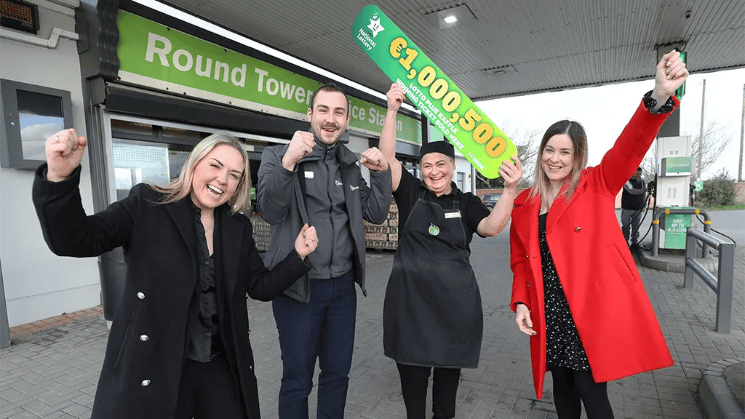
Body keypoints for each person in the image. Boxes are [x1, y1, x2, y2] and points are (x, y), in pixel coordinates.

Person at [32, 130, 319, 419]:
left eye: (234, 175)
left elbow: (260, 287)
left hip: (219, 363)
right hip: (156, 363)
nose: (223, 179)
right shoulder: (148, 205)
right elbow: (76, 239)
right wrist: (59, 180)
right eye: (215, 165)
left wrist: (297, 256)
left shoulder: (237, 228)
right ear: (194, 164)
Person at [510, 50, 688, 418]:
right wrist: (522, 303)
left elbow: (630, 146)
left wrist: (657, 97)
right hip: (550, 310)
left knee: (592, 394)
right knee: (561, 389)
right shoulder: (525, 202)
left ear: (578, 157)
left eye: (565, 152)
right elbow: (521, 261)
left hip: (587, 311)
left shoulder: (597, 184)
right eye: (549, 150)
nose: (554, 159)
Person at [378, 83, 523, 419]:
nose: (434, 171)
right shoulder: (411, 192)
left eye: (440, 164)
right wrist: (392, 111)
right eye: (427, 165)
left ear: (452, 165)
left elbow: (491, 228)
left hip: (453, 309)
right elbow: (386, 161)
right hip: (410, 305)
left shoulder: (467, 202)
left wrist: (510, 190)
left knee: (445, 402)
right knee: (414, 398)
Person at [256, 83, 392, 419]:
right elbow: (270, 211)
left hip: (342, 289)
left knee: (336, 376)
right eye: (323, 110)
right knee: (297, 380)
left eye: (338, 112)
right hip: (298, 289)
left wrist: (381, 173)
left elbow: (375, 213)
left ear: (347, 121)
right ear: (309, 115)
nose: (330, 119)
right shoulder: (277, 155)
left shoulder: (349, 164)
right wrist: (289, 161)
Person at [621, 167, 647, 248]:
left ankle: (634, 243)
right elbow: (631, 190)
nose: (639, 175)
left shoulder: (642, 181)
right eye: (637, 173)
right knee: (626, 227)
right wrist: (645, 190)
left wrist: (644, 205)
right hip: (627, 208)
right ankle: (625, 243)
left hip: (638, 209)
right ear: (632, 172)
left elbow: (643, 195)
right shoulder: (627, 180)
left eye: (640, 174)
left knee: (636, 227)